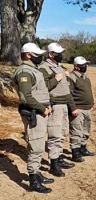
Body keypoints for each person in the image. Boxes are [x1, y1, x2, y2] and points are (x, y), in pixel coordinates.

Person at [13, 43, 54, 193]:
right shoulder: (25, 71)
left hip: (39, 112)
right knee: (36, 147)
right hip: (34, 113)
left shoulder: (32, 69)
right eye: (37, 54)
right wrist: (43, 108)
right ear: (28, 55)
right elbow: (26, 97)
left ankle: (37, 174)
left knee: (38, 144)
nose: (40, 57)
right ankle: (33, 181)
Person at [39, 42, 76, 177]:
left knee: (61, 133)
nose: (61, 55)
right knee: (54, 135)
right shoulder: (44, 68)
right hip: (55, 105)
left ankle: (59, 158)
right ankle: (54, 165)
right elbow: (43, 87)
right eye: (58, 53)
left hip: (63, 105)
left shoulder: (57, 66)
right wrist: (56, 79)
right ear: (50, 54)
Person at [68, 56, 95, 162]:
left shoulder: (85, 77)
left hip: (87, 109)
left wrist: (92, 103)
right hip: (78, 109)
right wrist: (73, 108)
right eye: (83, 65)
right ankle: (75, 152)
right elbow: (69, 95)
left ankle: (83, 148)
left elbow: (88, 91)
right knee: (76, 131)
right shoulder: (71, 77)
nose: (85, 67)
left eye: (86, 65)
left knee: (86, 130)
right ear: (76, 66)